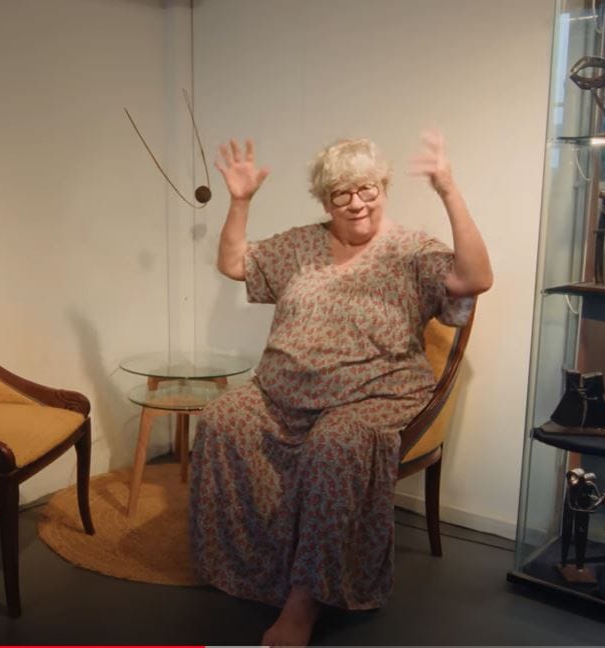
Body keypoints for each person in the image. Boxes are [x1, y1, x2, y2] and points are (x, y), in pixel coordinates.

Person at [189, 132, 492, 647]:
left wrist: (448, 189)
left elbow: (476, 277)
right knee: (221, 419)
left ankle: (304, 602)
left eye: (367, 189)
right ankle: (252, 568)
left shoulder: (411, 250)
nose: (356, 203)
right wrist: (239, 202)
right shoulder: (302, 244)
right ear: (325, 200)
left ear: (383, 187)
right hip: (279, 393)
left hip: (372, 395)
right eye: (341, 194)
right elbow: (234, 264)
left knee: (337, 447)